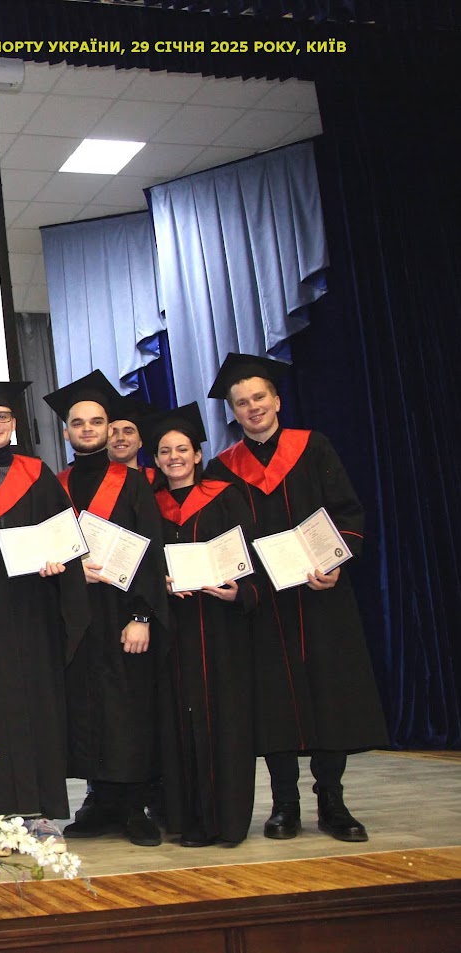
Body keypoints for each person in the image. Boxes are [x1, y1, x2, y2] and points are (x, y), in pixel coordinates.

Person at [204, 352, 387, 842]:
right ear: (234, 412)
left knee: (330, 696)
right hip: (263, 603)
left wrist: (336, 561)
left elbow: (347, 512)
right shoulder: (223, 468)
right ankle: (285, 803)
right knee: (273, 703)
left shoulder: (314, 447)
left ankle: (333, 801)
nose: (253, 407)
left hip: (319, 594)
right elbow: (222, 536)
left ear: (277, 400)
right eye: (242, 403)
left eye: (259, 397)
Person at [0, 382, 88, 830]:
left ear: (14, 423)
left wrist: (58, 563)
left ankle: (40, 811)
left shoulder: (38, 474)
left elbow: (65, 540)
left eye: (2, 417)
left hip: (32, 610)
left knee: (36, 706)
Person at [44, 369, 169, 847]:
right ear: (66, 432)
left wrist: (141, 616)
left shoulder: (132, 484)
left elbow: (151, 551)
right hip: (76, 618)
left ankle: (132, 806)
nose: (88, 429)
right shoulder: (55, 485)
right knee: (86, 709)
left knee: (127, 708)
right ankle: (98, 801)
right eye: (78, 423)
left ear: (108, 427)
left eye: (96, 422)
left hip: (121, 614)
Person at [148, 402, 259, 847]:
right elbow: (140, 564)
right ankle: (188, 820)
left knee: (225, 722)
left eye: (182, 449)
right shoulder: (150, 504)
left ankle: (227, 822)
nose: (174, 457)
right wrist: (159, 584)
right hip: (172, 629)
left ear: (197, 454)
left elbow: (251, 557)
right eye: (165, 451)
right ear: (156, 460)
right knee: (177, 724)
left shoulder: (226, 496)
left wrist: (240, 592)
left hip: (220, 627)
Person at [108, 395, 158, 487]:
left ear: (140, 441)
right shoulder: (93, 481)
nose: (120, 438)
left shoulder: (158, 481)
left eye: (128, 432)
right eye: (113, 432)